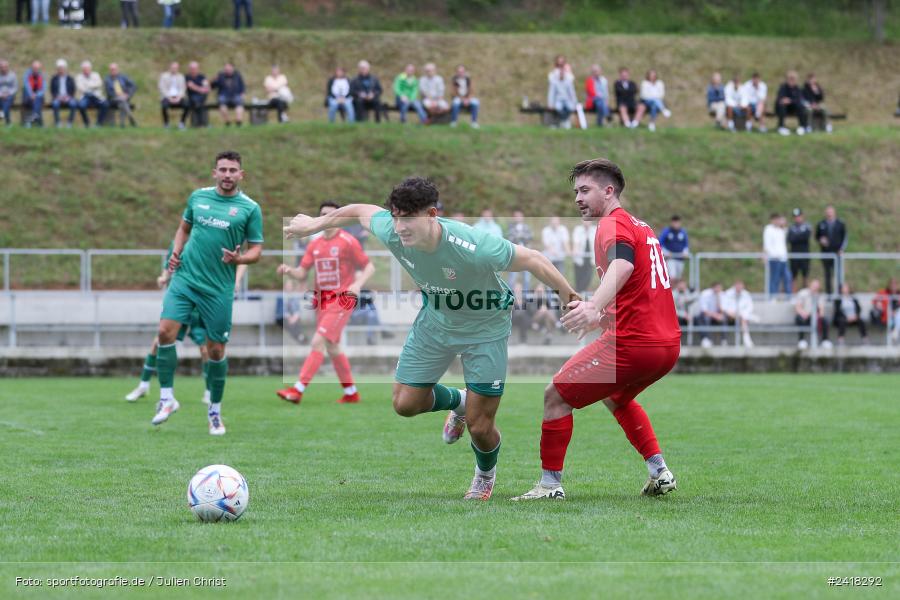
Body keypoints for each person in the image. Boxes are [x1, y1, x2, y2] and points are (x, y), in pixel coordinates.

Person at [283, 177, 578, 500]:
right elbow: (357, 210)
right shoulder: (393, 230)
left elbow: (534, 259)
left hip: (485, 327)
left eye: (408, 218)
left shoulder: (474, 246)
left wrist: (569, 296)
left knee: (480, 427)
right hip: (436, 322)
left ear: (432, 215)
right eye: (395, 216)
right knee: (405, 404)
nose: (399, 227)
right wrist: (315, 224)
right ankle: (460, 402)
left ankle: (484, 474)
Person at [512, 158, 681, 502]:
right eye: (576, 191)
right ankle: (658, 470)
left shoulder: (612, 225)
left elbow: (622, 265)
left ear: (609, 191)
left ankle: (549, 484)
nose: (578, 198)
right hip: (667, 346)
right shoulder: (642, 227)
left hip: (634, 343)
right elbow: (638, 287)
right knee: (615, 396)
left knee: (555, 395)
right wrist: (604, 314)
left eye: (585, 190)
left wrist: (593, 306)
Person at [151, 150, 264, 436]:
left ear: (241, 175)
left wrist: (239, 259)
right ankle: (166, 399)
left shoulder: (250, 208)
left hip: (218, 288)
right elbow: (182, 229)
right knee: (165, 332)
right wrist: (175, 256)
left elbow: (256, 250)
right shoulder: (198, 197)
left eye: (233, 170)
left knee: (215, 350)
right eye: (223, 170)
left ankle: (214, 411)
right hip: (186, 278)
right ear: (214, 172)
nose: (227, 175)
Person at [276, 202, 375, 404]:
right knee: (333, 347)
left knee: (318, 342)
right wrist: (289, 271)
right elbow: (302, 272)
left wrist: (357, 284)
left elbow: (370, 267)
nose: (327, 218)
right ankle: (351, 394)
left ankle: (297, 390)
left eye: (332, 215)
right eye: (323, 215)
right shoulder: (315, 244)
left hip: (342, 300)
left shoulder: (348, 241)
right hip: (321, 302)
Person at [125, 248, 216, 405]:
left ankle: (209, 392)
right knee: (158, 342)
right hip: (180, 303)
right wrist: (164, 277)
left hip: (198, 306)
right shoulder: (178, 242)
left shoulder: (205, 239)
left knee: (205, 349)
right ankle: (144, 385)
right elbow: (169, 265)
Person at [815, 205, 847, 294]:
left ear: (834, 213)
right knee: (827, 275)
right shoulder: (821, 224)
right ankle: (829, 294)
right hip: (826, 254)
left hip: (837, 254)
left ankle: (839, 294)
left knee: (838, 275)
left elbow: (845, 238)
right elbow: (817, 236)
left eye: (831, 212)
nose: (829, 214)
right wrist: (821, 240)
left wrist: (841, 249)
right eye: (827, 212)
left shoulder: (840, 224)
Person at [794, 279, 830, 349]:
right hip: (803, 315)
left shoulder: (820, 296)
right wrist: (804, 313)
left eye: (817, 287)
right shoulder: (803, 293)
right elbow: (798, 307)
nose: (815, 288)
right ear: (810, 285)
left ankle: (825, 340)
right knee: (800, 319)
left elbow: (821, 310)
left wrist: (819, 316)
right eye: (814, 286)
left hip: (814, 317)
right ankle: (801, 340)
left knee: (825, 320)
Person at [721, 280, 756, 348]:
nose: (739, 288)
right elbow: (724, 307)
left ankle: (745, 339)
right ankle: (724, 340)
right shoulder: (728, 293)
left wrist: (741, 314)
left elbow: (750, 307)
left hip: (742, 316)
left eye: (740, 286)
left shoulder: (746, 294)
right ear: (734, 286)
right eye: (737, 286)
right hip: (729, 315)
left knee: (743, 318)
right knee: (724, 319)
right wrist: (731, 313)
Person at [505, 209, 533, 292]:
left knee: (526, 278)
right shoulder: (510, 227)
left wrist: (519, 236)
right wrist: (521, 236)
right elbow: (510, 238)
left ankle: (526, 298)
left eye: (519, 216)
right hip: (514, 255)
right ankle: (510, 297)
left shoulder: (526, 227)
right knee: (512, 278)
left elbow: (529, 238)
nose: (518, 218)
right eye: (516, 216)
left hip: (526, 255)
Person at [763, 213, 791, 296]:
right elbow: (767, 244)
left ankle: (788, 296)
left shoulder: (781, 230)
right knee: (775, 279)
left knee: (787, 277)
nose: (779, 221)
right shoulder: (768, 229)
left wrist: (783, 224)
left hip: (783, 259)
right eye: (777, 219)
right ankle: (773, 296)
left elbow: (788, 232)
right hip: (774, 258)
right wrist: (771, 254)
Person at [775, 70, 808, 136]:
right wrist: (784, 100)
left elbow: (799, 99)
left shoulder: (797, 88)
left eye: (793, 79)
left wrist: (790, 100)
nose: (792, 81)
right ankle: (781, 127)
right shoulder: (783, 87)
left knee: (801, 106)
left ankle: (802, 127)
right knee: (782, 105)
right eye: (790, 79)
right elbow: (780, 98)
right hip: (784, 108)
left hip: (794, 107)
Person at [75, 60, 108, 127]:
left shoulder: (96, 75)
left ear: (90, 69)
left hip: (96, 96)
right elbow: (81, 88)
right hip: (85, 97)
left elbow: (99, 84)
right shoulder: (79, 77)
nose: (86, 70)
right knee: (81, 106)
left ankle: (99, 124)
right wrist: (93, 86)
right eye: (85, 69)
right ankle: (87, 123)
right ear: (82, 70)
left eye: (87, 69)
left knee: (105, 104)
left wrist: (88, 85)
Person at [104, 63, 137, 127]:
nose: (113, 71)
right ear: (109, 71)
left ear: (117, 70)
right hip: (113, 99)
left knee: (123, 102)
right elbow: (108, 92)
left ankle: (122, 124)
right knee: (123, 102)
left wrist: (128, 94)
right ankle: (130, 118)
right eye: (111, 70)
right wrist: (117, 95)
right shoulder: (107, 79)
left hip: (124, 98)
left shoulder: (123, 77)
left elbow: (133, 86)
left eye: (114, 69)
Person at [658, 215, 689, 283]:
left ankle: (675, 292)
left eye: (677, 222)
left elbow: (686, 244)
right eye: (674, 222)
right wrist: (665, 252)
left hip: (680, 258)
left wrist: (685, 252)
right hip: (670, 258)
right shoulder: (667, 231)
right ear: (671, 223)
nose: (676, 224)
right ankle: (670, 291)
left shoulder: (683, 232)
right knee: (672, 276)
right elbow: (660, 242)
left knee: (678, 278)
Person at [213, 62, 246, 127]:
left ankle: (238, 122)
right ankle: (228, 122)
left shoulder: (237, 75)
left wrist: (243, 93)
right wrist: (214, 79)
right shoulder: (220, 76)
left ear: (232, 68)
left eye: (229, 69)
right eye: (226, 69)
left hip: (236, 95)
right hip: (223, 95)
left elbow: (242, 86)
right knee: (221, 103)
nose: (227, 70)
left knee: (240, 103)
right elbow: (213, 86)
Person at [787, 207, 812, 292]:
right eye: (795, 216)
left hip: (805, 255)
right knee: (794, 276)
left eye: (799, 216)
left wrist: (796, 237)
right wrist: (799, 236)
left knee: (805, 276)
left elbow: (806, 237)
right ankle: (794, 294)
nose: (797, 218)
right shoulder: (791, 227)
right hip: (794, 255)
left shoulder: (807, 226)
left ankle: (806, 293)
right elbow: (790, 239)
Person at [158, 61, 188, 129]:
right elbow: (162, 88)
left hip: (178, 96)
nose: (174, 69)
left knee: (187, 105)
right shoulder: (164, 76)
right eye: (173, 68)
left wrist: (179, 97)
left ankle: (182, 123)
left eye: (176, 68)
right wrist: (169, 98)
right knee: (164, 106)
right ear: (170, 68)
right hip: (167, 96)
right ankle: (166, 123)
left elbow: (183, 88)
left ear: (178, 68)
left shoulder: (181, 77)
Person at [547, 63, 577, 129]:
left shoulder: (568, 82)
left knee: (570, 107)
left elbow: (572, 93)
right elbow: (551, 94)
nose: (561, 74)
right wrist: (550, 104)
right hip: (558, 100)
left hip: (567, 100)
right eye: (560, 73)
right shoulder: (554, 82)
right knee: (558, 108)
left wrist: (575, 103)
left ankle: (564, 121)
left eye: (563, 73)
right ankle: (563, 121)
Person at [571, 219, 597, 294]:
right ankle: (578, 295)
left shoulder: (595, 229)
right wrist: (575, 249)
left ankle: (581, 293)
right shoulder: (578, 230)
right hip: (579, 260)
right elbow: (576, 242)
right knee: (578, 280)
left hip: (590, 260)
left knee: (587, 278)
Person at [695, 282, 725, 348]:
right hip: (705, 315)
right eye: (717, 288)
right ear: (713, 287)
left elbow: (723, 309)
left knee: (724, 318)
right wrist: (715, 315)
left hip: (716, 315)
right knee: (704, 318)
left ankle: (724, 340)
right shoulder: (705, 294)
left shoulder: (721, 294)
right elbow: (704, 310)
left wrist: (719, 301)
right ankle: (706, 338)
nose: (719, 290)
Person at [871, 279, 900, 343]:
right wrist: (878, 304)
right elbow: (874, 301)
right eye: (892, 285)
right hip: (885, 315)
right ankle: (895, 330)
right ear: (889, 285)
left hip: (895, 316)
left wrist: (895, 311)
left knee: (898, 313)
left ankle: (895, 330)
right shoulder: (883, 292)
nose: (893, 286)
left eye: (895, 285)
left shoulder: (898, 294)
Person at [185, 61, 211, 126]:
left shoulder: (202, 77)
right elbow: (190, 86)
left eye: (195, 68)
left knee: (199, 102)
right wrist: (201, 89)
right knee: (198, 103)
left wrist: (198, 88)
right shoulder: (187, 77)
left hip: (201, 97)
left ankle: (199, 123)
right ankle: (203, 123)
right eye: (192, 68)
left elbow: (207, 88)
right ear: (189, 69)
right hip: (192, 97)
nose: (193, 70)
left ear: (198, 69)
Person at [21, 60, 46, 127]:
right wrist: (31, 94)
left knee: (36, 102)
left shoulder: (42, 75)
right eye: (34, 68)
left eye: (37, 68)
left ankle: (29, 121)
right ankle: (39, 123)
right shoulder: (27, 74)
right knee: (34, 103)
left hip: (38, 95)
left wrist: (36, 95)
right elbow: (26, 86)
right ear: (32, 68)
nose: (36, 70)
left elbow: (43, 89)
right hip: (28, 95)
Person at [0, 61, 16, 127]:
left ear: (8, 67)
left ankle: (2, 115)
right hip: (0, 95)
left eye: (5, 67)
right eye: (2, 67)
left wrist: (8, 93)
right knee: (4, 103)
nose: (4, 68)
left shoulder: (13, 75)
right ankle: (8, 122)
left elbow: (15, 87)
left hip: (10, 95)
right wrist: (1, 94)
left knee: (6, 101)